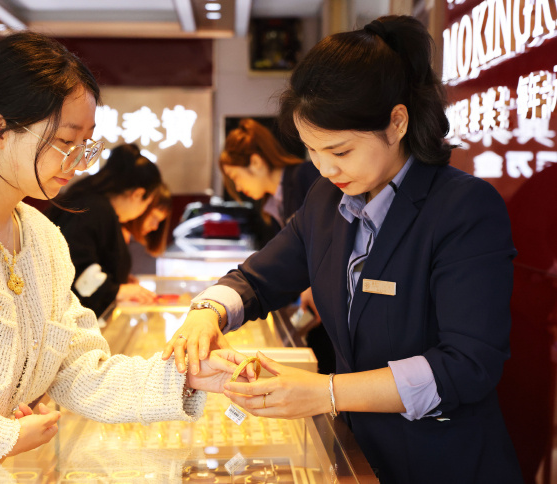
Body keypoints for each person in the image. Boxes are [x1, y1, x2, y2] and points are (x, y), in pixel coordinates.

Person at [0, 32, 250, 484]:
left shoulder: (42, 238)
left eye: (86, 144)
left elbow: (79, 369)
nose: (79, 162)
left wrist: (187, 377)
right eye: (64, 141)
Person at [162, 16, 523, 484]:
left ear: (397, 122)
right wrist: (207, 312)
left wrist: (327, 392)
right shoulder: (327, 201)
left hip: (444, 463)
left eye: (340, 151)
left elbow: (466, 365)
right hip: (360, 456)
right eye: (311, 150)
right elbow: (258, 279)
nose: (325, 168)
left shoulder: (463, 209)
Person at [221, 118, 333, 373]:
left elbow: (326, 239)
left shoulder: (306, 178)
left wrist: (314, 283)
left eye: (235, 177)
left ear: (256, 163)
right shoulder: (272, 206)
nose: (237, 187)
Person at [46, 143, 161, 316]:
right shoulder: (94, 208)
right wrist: (116, 290)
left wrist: (118, 282)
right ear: (137, 194)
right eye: (147, 203)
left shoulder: (95, 204)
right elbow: (75, 264)